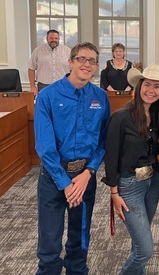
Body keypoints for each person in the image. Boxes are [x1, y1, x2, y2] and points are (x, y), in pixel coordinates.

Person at [34, 42, 110, 275]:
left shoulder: (100, 97)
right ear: (71, 61)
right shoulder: (47, 96)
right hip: (53, 178)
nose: (87, 65)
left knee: (80, 237)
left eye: (92, 61)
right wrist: (65, 183)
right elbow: (44, 146)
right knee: (49, 239)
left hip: (85, 178)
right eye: (82, 59)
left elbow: (103, 141)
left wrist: (89, 173)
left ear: (97, 66)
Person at [102, 64, 159, 274]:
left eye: (156, 86)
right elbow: (111, 157)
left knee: (139, 243)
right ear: (138, 86)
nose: (151, 90)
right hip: (129, 186)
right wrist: (114, 192)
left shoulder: (158, 117)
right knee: (145, 250)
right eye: (147, 85)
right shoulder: (120, 118)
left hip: (152, 183)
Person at [28, 29, 71, 95]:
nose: (54, 40)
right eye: (51, 38)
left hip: (62, 86)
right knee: (44, 105)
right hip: (43, 86)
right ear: (47, 39)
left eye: (56, 38)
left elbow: (73, 69)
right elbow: (31, 68)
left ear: (59, 39)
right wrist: (32, 86)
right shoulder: (38, 51)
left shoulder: (67, 51)